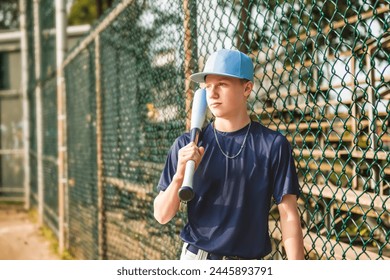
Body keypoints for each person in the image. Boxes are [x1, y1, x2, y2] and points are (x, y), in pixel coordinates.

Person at [153, 49, 304, 260]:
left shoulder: (273, 145)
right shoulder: (188, 145)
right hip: (198, 259)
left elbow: (288, 214)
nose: (212, 94)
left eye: (222, 85)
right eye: (208, 87)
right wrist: (180, 174)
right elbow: (161, 215)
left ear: (247, 88)